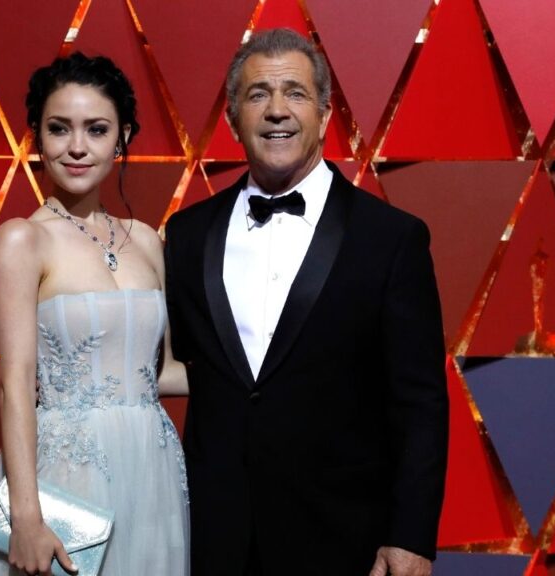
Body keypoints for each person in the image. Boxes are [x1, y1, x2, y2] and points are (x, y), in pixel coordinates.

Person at [163, 29, 448, 576]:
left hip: (344, 539)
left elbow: (420, 403)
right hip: (213, 537)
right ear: (231, 119)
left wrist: (411, 536)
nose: (276, 111)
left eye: (294, 93)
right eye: (257, 96)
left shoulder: (391, 238)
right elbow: (182, 368)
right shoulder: (187, 234)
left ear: (324, 111)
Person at [0, 52, 189, 576]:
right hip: (66, 477)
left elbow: (160, 371)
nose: (77, 147)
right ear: (37, 139)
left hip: (152, 468)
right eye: (59, 129)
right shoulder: (22, 240)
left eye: (96, 129)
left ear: (121, 139)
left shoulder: (145, 240)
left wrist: (266, 376)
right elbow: (15, 383)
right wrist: (26, 518)